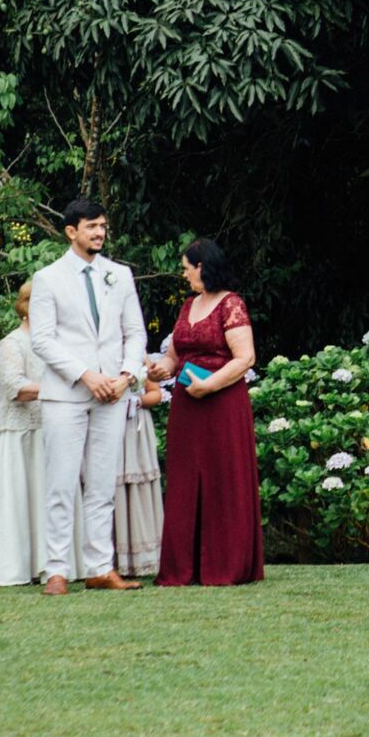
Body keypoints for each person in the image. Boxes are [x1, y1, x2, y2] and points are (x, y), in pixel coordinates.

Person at [29, 197, 149, 595]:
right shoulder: (48, 278)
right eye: (91, 226)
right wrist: (85, 375)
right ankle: (57, 570)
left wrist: (127, 375)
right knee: (61, 485)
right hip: (66, 395)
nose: (99, 233)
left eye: (102, 226)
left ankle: (100, 567)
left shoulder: (120, 274)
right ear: (71, 231)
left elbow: (135, 333)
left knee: (102, 485)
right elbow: (43, 341)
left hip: (113, 395)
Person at [146, 238, 263, 587]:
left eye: (186, 268)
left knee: (222, 478)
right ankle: (184, 566)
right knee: (185, 479)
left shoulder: (231, 304)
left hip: (222, 402)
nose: (184, 275)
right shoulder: (187, 306)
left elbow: (245, 358)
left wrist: (210, 386)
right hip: (186, 402)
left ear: (202, 266)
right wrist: (161, 369)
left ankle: (224, 564)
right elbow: (175, 354)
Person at [0, 281, 57, 587]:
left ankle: (44, 562)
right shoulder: (12, 343)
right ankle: (8, 564)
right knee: (14, 494)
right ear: (27, 308)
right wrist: (59, 391)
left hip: (45, 427)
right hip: (14, 431)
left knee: (42, 494)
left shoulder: (55, 344)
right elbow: (13, 387)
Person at [112, 366, 166, 580]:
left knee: (138, 486)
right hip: (107, 422)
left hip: (136, 427)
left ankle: (142, 557)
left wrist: (138, 401)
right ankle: (109, 560)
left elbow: (156, 393)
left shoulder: (140, 357)